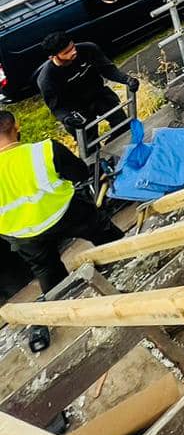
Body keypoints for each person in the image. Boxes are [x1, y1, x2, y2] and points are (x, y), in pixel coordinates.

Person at [0, 110, 122, 353]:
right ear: (16, 126)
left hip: (23, 233)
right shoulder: (43, 150)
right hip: (64, 213)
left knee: (47, 271)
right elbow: (81, 174)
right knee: (103, 231)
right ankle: (129, 254)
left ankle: (61, 306)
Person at [35, 31, 137, 144]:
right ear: (52, 57)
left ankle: (114, 146)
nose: (73, 52)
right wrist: (67, 118)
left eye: (73, 47)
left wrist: (127, 79)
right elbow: (56, 107)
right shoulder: (47, 78)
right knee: (89, 143)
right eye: (67, 52)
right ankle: (98, 157)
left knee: (123, 125)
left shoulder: (88, 49)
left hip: (99, 94)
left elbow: (108, 70)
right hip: (75, 109)